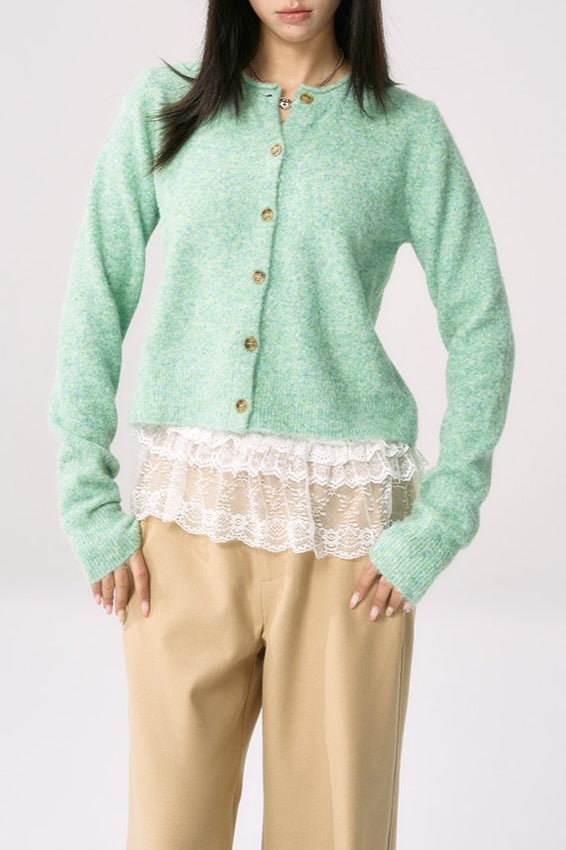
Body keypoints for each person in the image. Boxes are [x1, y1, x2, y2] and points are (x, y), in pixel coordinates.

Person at [48, 0, 515, 847]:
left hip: (349, 540)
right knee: (169, 831)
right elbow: (95, 295)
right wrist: (87, 503)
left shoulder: (408, 134)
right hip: (185, 531)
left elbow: (482, 324)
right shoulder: (163, 108)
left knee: (332, 832)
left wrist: (440, 523)